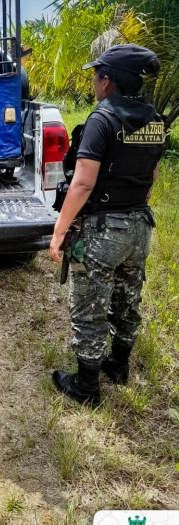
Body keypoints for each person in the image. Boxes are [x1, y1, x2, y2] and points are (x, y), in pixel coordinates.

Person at [49, 44, 164, 407]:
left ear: (108, 81)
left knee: (89, 304)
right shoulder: (155, 119)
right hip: (140, 227)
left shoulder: (103, 119)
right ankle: (119, 365)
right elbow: (153, 174)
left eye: (97, 76)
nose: (95, 82)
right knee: (127, 299)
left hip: (102, 230)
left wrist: (59, 231)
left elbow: (82, 183)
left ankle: (85, 386)